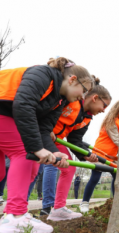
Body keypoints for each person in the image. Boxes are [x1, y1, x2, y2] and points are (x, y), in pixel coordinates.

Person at [0, 57, 93, 232]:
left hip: (7, 114)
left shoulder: (60, 99)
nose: (83, 96)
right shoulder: (43, 75)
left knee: (24, 165)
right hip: (5, 110)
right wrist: (36, 148)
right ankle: (15, 215)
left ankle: (17, 214)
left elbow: (43, 129)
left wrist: (53, 152)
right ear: (73, 79)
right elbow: (23, 105)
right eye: (84, 90)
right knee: (23, 152)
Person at [41, 76, 110, 221]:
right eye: (104, 106)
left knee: (69, 168)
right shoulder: (72, 100)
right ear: (95, 98)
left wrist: (86, 156)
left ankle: (58, 209)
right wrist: (46, 129)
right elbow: (47, 109)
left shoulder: (87, 118)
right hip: (42, 134)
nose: (104, 111)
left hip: (56, 140)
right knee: (30, 166)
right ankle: (15, 212)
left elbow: (74, 140)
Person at [79, 99, 119, 213]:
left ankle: (116, 202)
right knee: (95, 177)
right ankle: (84, 203)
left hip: (110, 156)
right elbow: (117, 140)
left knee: (116, 176)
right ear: (118, 109)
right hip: (100, 153)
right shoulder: (112, 121)